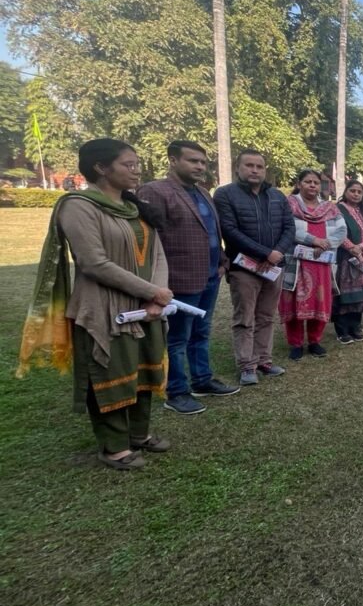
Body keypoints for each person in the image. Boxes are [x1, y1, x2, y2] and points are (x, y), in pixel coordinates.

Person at [19, 139, 172, 470]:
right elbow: (93, 263)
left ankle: (138, 434)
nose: (136, 170)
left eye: (137, 163)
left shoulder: (135, 206)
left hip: (148, 306)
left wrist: (158, 292)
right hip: (104, 307)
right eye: (128, 164)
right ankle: (114, 447)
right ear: (102, 168)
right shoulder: (78, 206)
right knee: (111, 373)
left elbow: (157, 252)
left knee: (144, 370)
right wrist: (151, 292)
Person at [138, 140, 238, 416]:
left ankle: (202, 380)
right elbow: (148, 239)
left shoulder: (204, 193)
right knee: (177, 338)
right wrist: (156, 283)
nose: (199, 166)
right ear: (173, 160)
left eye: (203, 162)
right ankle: (177, 391)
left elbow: (211, 232)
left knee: (201, 332)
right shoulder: (155, 191)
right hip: (178, 280)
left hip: (210, 275)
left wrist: (222, 262)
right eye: (193, 161)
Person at [214, 148, 296, 385]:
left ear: (265, 170)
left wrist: (277, 253)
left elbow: (289, 227)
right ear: (238, 168)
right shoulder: (225, 194)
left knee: (267, 316)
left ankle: (264, 360)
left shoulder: (278, 196)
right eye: (249, 165)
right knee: (245, 318)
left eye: (259, 166)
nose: (254, 170)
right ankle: (247, 366)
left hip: (273, 267)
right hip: (243, 268)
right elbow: (229, 230)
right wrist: (265, 253)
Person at [279, 170, 345, 361]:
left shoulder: (330, 208)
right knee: (294, 301)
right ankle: (296, 344)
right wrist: (313, 239)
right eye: (308, 181)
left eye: (316, 182)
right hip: (297, 261)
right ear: (299, 183)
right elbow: (288, 227)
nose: (312, 185)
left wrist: (326, 244)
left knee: (320, 300)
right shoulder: (290, 204)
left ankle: (315, 342)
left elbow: (341, 230)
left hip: (322, 262)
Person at [334, 179, 363, 343]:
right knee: (345, 294)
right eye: (352, 191)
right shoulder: (337, 210)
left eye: (359, 192)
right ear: (346, 192)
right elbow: (336, 231)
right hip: (344, 257)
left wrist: (360, 248)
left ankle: (355, 327)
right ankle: (342, 330)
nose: (356, 194)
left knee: (360, 294)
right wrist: (351, 247)